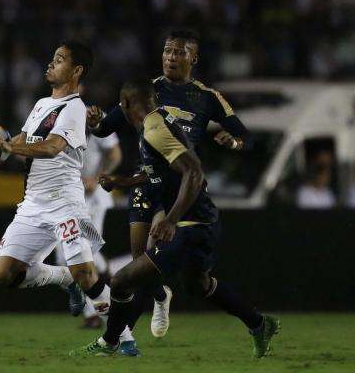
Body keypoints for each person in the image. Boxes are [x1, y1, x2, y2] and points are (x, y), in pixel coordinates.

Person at [70, 80, 280, 359]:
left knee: (121, 281)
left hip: (190, 226)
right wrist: (126, 180)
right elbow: (164, 171)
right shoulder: (158, 123)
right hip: (201, 223)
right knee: (198, 284)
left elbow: (194, 173)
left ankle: (110, 343)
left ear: (126, 105)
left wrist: (171, 219)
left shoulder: (155, 130)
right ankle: (259, 323)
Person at [0, 41, 137, 353]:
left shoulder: (75, 109)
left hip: (64, 201)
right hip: (33, 203)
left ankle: (123, 339)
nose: (50, 65)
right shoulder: (41, 104)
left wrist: (9, 148)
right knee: (4, 272)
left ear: (76, 70)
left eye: (59, 60)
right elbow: (21, 141)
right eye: (52, 59)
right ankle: (63, 278)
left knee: (87, 273)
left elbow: (52, 148)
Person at [87, 30, 248, 339]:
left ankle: (116, 339)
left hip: (179, 188)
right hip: (145, 181)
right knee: (138, 264)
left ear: (193, 58)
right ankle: (160, 297)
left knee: (158, 261)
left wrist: (236, 142)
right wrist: (96, 123)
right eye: (167, 51)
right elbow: (106, 128)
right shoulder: (148, 91)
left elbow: (242, 132)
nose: (171, 57)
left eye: (179, 52)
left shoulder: (207, 97)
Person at [55, 124, 123, 329]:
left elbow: (116, 154)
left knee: (83, 254)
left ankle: (93, 313)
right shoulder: (54, 123)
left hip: (93, 198)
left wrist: (99, 177)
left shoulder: (96, 121)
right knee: (63, 259)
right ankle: (110, 274)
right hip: (66, 199)